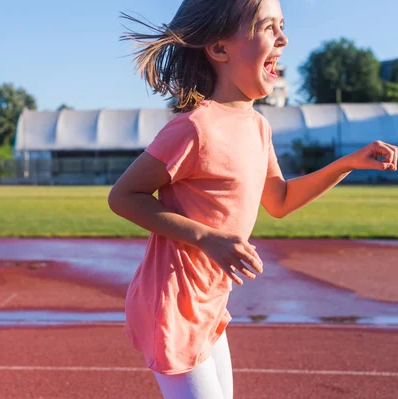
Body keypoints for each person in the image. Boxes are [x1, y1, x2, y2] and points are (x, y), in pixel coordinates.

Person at [107, 0, 398, 398]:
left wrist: (346, 164)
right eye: (267, 28)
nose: (284, 37)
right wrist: (208, 238)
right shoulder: (194, 128)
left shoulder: (258, 127)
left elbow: (278, 200)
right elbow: (124, 196)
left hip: (210, 302)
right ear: (220, 49)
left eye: (283, 25)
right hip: (172, 304)